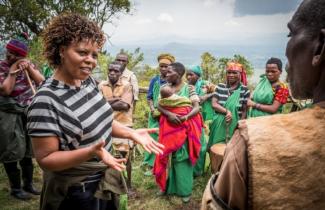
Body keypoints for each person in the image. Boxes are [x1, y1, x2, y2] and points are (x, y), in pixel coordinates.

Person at [26, 13, 163, 210]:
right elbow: (46, 159)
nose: (90, 61)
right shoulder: (46, 101)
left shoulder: (87, 82)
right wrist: (89, 152)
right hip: (77, 191)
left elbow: (103, 120)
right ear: (62, 50)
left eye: (94, 55)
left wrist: (131, 133)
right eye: (82, 53)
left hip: (103, 179)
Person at [201, 0, 325, 209]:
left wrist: (249, 109)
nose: (271, 72)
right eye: (267, 70)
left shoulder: (252, 143)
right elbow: (217, 102)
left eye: (290, 35)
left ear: (319, 47)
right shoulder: (236, 89)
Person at [0, 33, 44, 200]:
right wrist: (12, 71)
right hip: (8, 113)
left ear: (21, 56)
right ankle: (16, 188)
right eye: (9, 52)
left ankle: (28, 184)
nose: (9, 55)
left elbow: (41, 81)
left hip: (27, 111)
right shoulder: (2, 67)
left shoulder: (28, 65)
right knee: (11, 149)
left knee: (27, 148)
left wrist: (29, 68)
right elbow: (5, 91)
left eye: (14, 54)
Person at [155, 62, 203, 203]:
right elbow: (159, 104)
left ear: (179, 73)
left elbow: (196, 107)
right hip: (168, 128)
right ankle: (165, 186)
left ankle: (184, 190)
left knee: (182, 158)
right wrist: (169, 114)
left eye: (169, 72)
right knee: (165, 156)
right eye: (166, 72)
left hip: (185, 128)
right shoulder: (165, 88)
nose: (166, 74)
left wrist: (186, 117)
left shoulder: (189, 88)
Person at [98, 61, 134, 189]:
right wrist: (115, 100)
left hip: (124, 126)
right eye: (110, 70)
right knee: (106, 156)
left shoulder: (127, 85)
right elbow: (96, 106)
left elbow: (124, 106)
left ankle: (127, 186)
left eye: (116, 71)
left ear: (121, 73)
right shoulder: (102, 85)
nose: (112, 73)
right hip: (104, 126)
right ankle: (109, 184)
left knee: (125, 157)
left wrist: (103, 103)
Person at [143, 53, 175, 173]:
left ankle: (163, 163)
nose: (163, 69)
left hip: (167, 115)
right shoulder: (155, 80)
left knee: (165, 138)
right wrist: (152, 110)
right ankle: (152, 163)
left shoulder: (173, 81)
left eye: (166, 66)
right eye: (161, 66)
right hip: (154, 115)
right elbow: (149, 97)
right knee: (153, 137)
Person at [207, 61, 250, 149]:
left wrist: (239, 126)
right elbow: (214, 104)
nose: (231, 75)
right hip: (218, 124)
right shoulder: (220, 86)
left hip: (234, 125)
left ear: (240, 74)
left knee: (232, 151)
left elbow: (244, 111)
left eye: (234, 73)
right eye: (229, 72)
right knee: (216, 149)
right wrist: (227, 111)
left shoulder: (245, 90)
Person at [186, 65, 216, 176]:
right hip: (189, 118)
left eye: (191, 74)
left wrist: (211, 93)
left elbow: (200, 99)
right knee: (190, 144)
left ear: (198, 76)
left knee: (201, 144)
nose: (188, 77)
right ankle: (190, 169)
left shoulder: (204, 85)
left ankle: (198, 170)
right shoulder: (186, 86)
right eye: (187, 74)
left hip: (202, 118)